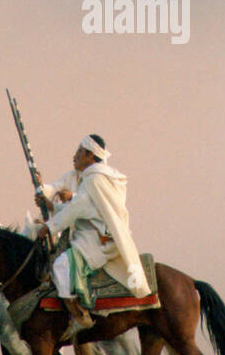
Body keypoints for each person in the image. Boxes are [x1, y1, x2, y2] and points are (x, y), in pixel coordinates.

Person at [40, 135, 149, 339]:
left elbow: (78, 209)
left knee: (61, 266)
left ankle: (80, 315)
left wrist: (49, 227)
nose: (75, 157)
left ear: (90, 155)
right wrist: (53, 207)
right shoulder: (100, 178)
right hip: (98, 235)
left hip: (95, 241)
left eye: (79, 152)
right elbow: (86, 207)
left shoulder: (93, 180)